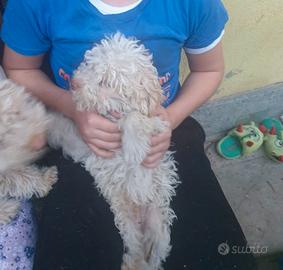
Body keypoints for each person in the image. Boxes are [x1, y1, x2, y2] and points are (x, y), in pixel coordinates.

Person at [1, 0, 258, 269]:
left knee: (207, 244)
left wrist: (172, 117)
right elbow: (20, 68)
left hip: (166, 125)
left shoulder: (193, 4)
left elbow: (209, 69)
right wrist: (71, 106)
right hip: (78, 130)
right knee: (80, 243)